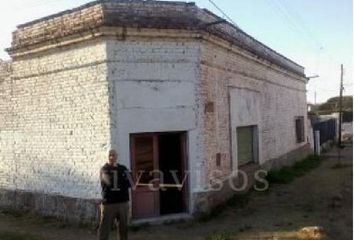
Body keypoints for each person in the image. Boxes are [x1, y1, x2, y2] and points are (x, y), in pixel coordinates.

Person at [98, 149, 131, 240]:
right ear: (107, 156)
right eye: (110, 155)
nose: (112, 157)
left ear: (117, 156)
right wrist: (123, 180)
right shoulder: (104, 169)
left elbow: (130, 183)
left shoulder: (123, 168)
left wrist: (123, 181)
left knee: (123, 229)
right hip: (109, 203)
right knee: (104, 229)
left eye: (114, 155)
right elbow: (110, 183)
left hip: (123, 203)